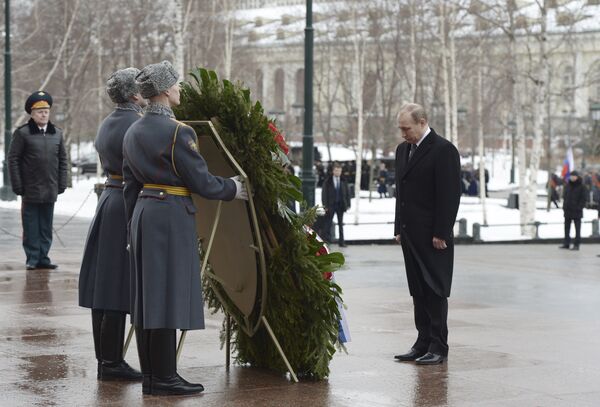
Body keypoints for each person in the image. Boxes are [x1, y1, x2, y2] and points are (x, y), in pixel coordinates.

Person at [122, 61, 248, 396]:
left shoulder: (133, 130)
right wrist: (233, 188)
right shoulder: (179, 131)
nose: (180, 89)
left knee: (148, 297)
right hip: (170, 215)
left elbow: (129, 186)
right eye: (176, 84)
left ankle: (153, 376)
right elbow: (201, 182)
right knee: (164, 295)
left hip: (144, 215)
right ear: (164, 91)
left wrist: (130, 227)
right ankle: (164, 378)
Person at [78, 68, 146, 382]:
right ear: (134, 95)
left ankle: (106, 359)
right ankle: (111, 362)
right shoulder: (136, 123)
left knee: (103, 284)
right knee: (116, 285)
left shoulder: (109, 121)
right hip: (125, 201)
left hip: (110, 198)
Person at [393, 103, 461, 365]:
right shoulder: (403, 150)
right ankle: (422, 342)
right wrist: (398, 227)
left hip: (434, 236)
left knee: (434, 290)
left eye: (406, 128)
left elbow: (449, 194)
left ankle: (438, 346)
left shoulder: (443, 150)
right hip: (410, 235)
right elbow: (402, 194)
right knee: (418, 291)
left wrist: (442, 231)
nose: (403, 134)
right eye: (400, 129)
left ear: (422, 122)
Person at [8, 91, 67, 270]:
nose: (44, 114)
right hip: (30, 188)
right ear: (32, 114)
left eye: (46, 111)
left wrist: (62, 183)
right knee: (31, 225)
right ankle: (32, 258)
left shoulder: (57, 133)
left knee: (46, 227)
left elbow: (63, 160)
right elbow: (13, 159)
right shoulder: (23, 134)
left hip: (50, 188)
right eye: (40, 111)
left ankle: (44, 257)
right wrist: (18, 185)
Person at [321, 162, 351, 247]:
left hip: (340, 205)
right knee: (328, 224)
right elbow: (324, 194)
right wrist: (325, 206)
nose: (338, 172)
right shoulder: (328, 181)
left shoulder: (343, 181)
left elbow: (348, 193)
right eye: (336, 170)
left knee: (341, 224)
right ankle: (327, 241)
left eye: (339, 171)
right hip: (330, 205)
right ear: (333, 171)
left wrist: (348, 204)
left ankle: (341, 242)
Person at [559, 170, 587, 251]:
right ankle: (566, 243)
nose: (572, 178)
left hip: (577, 212)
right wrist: (564, 207)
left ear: (577, 177)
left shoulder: (582, 186)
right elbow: (565, 197)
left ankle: (576, 245)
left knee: (577, 229)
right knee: (566, 228)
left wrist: (579, 208)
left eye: (574, 176)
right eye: (571, 176)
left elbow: (584, 199)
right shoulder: (567, 185)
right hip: (568, 211)